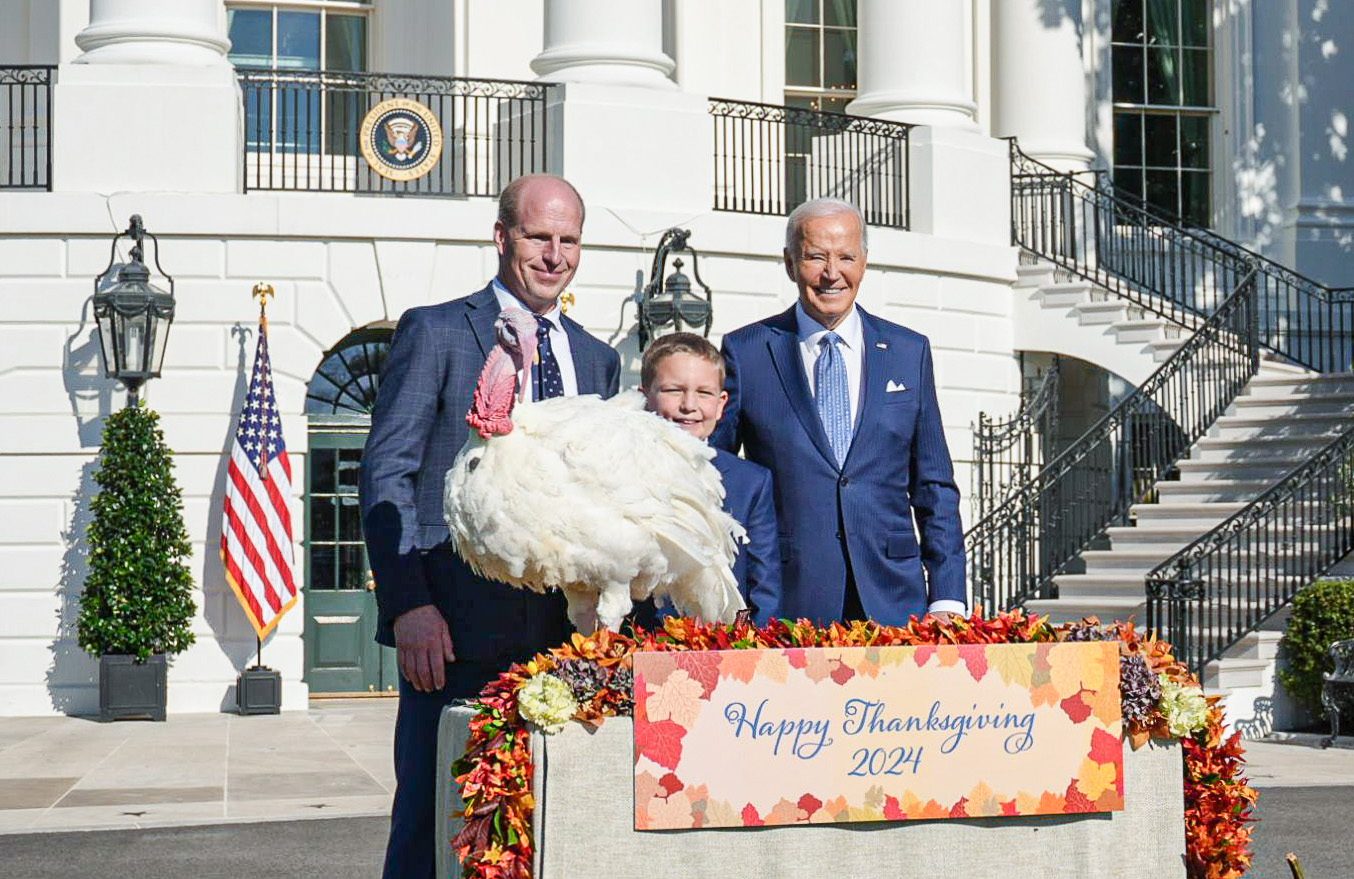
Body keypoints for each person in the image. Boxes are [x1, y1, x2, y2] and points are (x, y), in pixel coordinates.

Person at [359, 173, 620, 879]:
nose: (554, 255)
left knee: (548, 828)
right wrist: (409, 603)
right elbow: (388, 476)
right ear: (502, 237)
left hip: (563, 646)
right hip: (450, 638)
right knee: (432, 827)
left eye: (569, 240)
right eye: (539, 236)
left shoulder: (598, 357)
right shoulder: (439, 329)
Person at [711, 197, 966, 626]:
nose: (832, 273)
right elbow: (719, 480)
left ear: (864, 262)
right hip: (789, 603)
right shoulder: (746, 352)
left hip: (896, 602)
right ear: (790, 263)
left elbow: (935, 484)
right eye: (815, 257)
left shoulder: (909, 351)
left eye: (846, 256)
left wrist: (947, 597)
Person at [639, 332, 782, 623]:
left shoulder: (751, 483)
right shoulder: (619, 472)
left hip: (724, 652)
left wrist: (743, 648)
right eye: (673, 390)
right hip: (635, 648)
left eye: (704, 393)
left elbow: (762, 591)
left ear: (721, 404)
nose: (689, 404)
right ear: (645, 397)